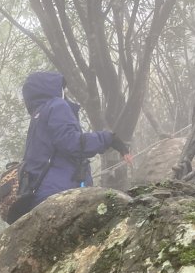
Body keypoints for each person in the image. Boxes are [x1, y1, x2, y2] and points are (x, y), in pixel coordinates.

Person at [20, 71, 133, 207]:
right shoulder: (56, 106)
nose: (64, 92)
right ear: (52, 88)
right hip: (60, 192)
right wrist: (109, 138)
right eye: (62, 88)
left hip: (38, 194)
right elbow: (72, 143)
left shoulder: (37, 117)